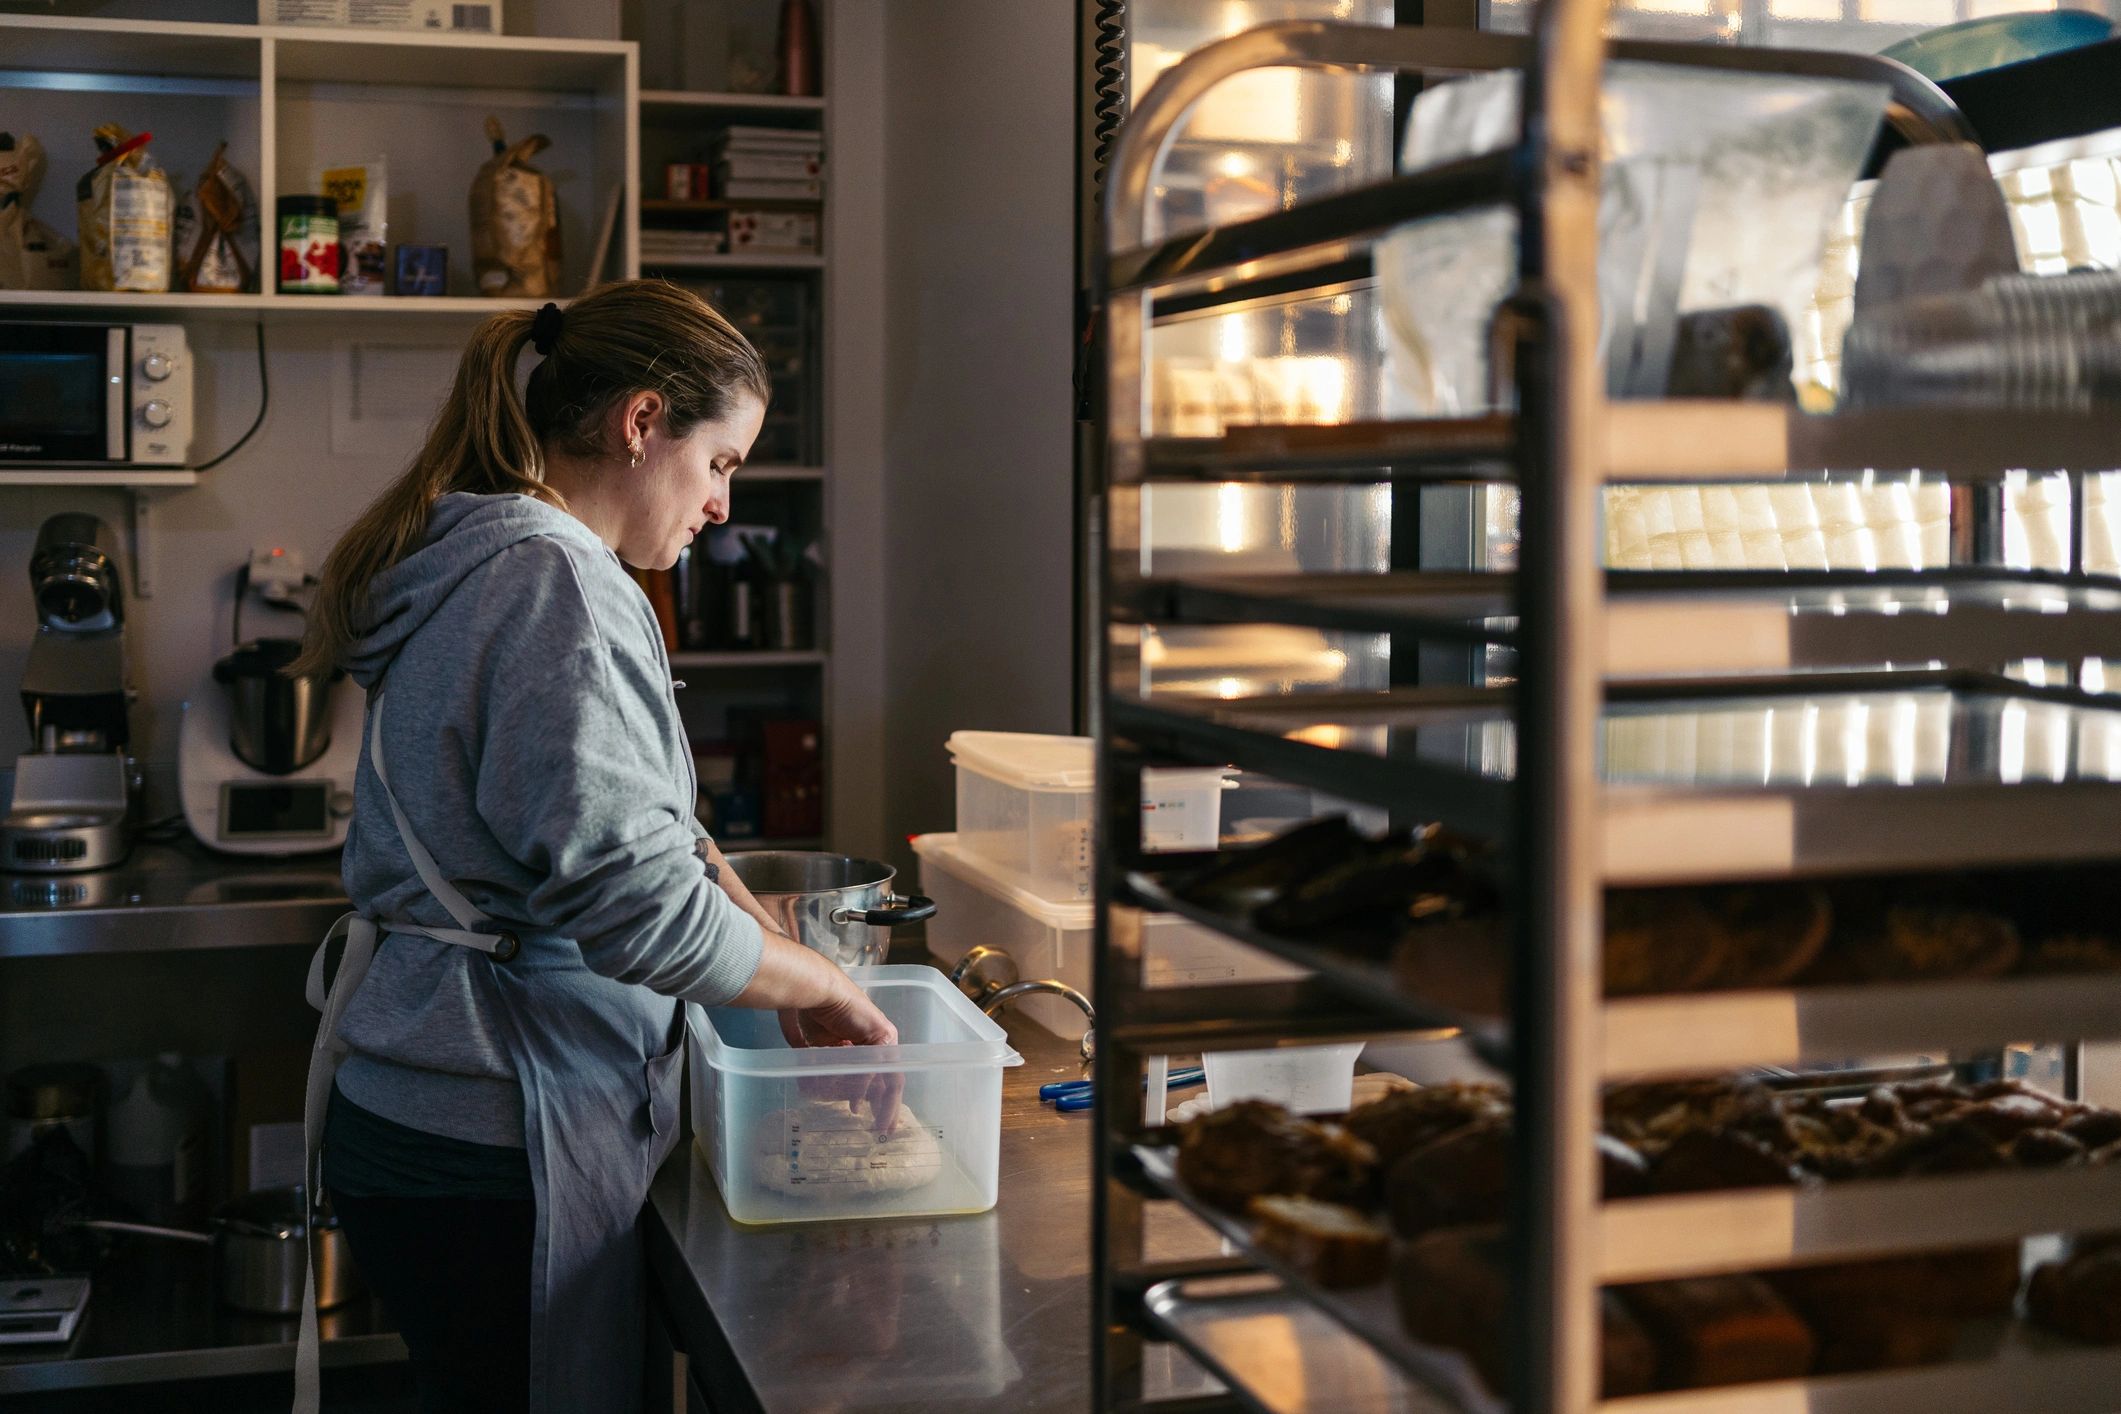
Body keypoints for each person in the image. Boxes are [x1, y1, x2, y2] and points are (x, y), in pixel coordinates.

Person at [287, 281, 897, 1414]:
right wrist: (821, 980)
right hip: (489, 1129)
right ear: (642, 421)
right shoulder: (553, 580)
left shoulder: (488, 551)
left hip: (434, 1114)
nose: (724, 505)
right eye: (719, 463)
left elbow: (655, 833)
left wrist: (774, 958)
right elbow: (634, 900)